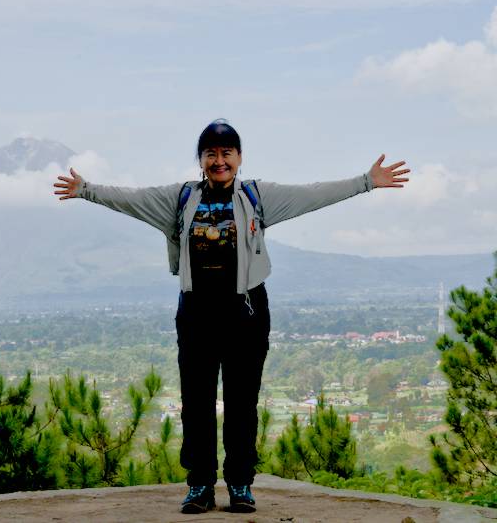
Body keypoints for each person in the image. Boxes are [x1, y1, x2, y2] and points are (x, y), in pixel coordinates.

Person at [52, 119, 409, 513]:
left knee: (242, 402)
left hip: (246, 311)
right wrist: (85, 189)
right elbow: (131, 198)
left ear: (239, 158)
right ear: (201, 159)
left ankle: (240, 483)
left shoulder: (257, 196)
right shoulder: (181, 198)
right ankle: (200, 486)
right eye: (211, 153)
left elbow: (312, 194)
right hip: (197, 313)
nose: (219, 160)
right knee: (196, 402)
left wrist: (366, 181)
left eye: (226, 153)